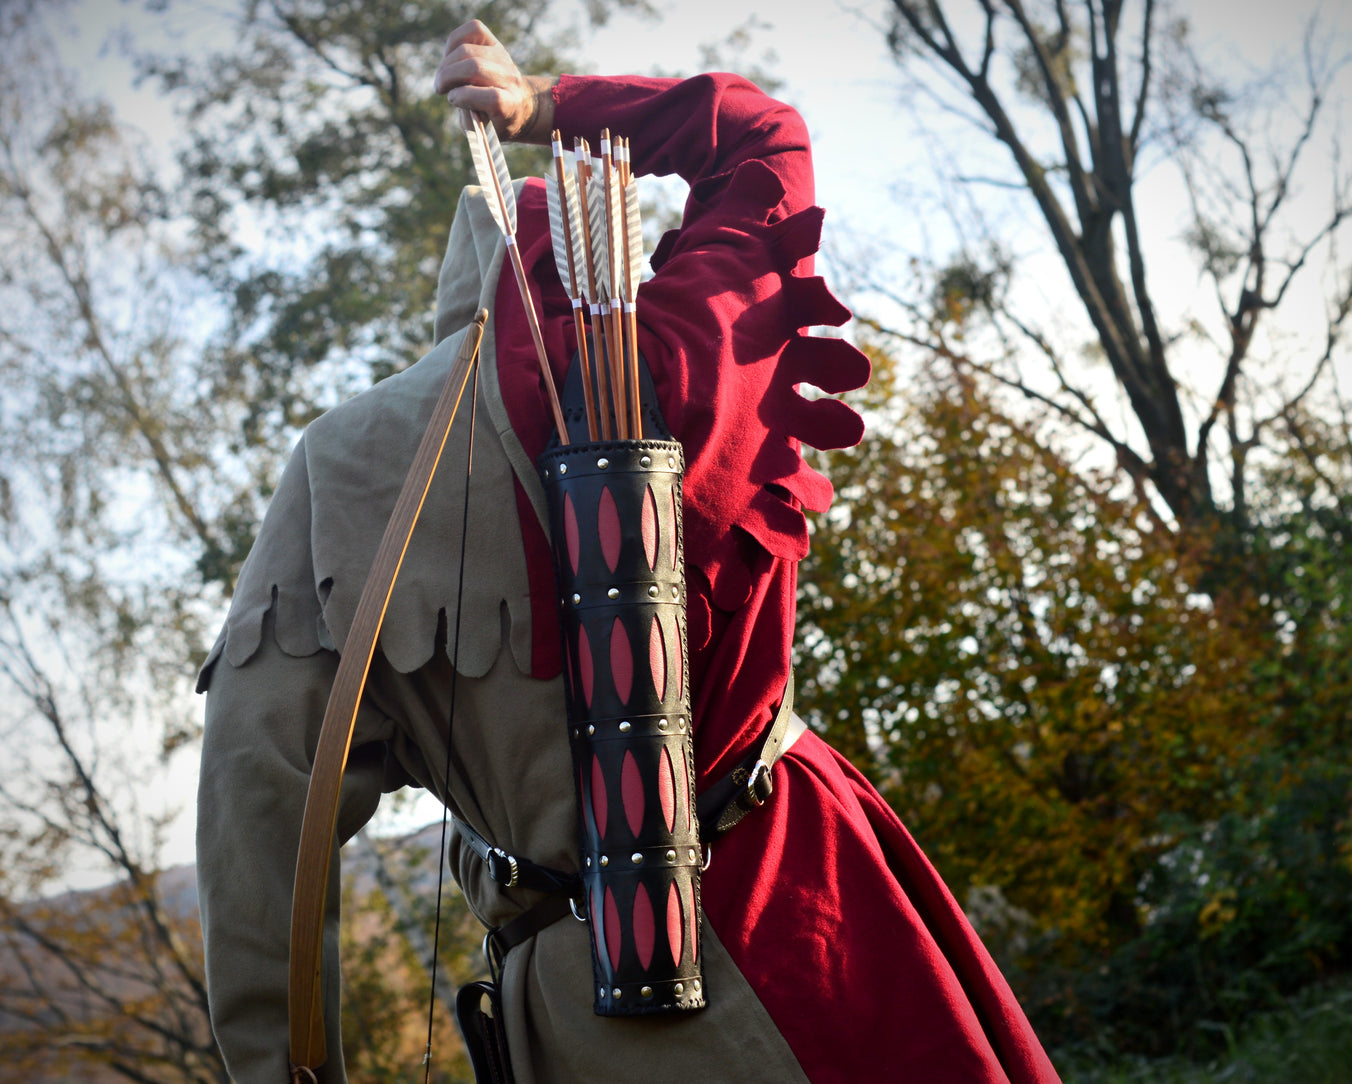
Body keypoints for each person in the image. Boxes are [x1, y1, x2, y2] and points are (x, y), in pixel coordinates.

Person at [195, 19, 1061, 1084]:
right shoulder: (690, 341)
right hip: (816, 901)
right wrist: (540, 106)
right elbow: (759, 138)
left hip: (592, 1001)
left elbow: (259, 818)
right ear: (590, 249)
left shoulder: (341, 467)